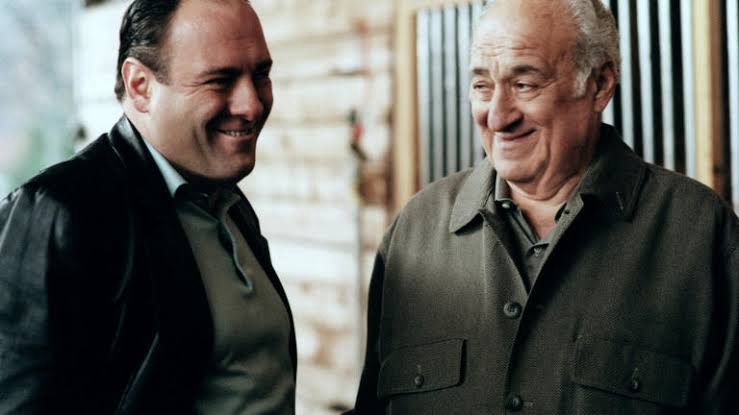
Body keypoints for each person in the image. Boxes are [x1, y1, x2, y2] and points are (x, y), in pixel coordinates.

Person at [350, 0, 738, 413]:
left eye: (524, 84)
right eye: (482, 86)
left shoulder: (701, 238)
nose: (497, 117)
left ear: (599, 84)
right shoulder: (413, 235)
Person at [0, 0, 297, 413]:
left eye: (260, 74)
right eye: (220, 80)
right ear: (140, 86)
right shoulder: (59, 212)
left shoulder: (227, 203)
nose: (252, 105)